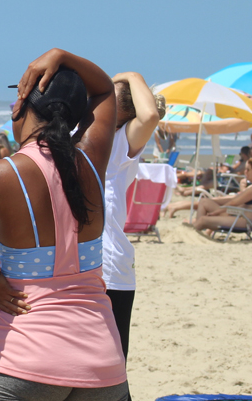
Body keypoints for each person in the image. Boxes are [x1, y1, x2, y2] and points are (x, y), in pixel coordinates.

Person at [0, 49, 128, 400]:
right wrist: (62, 56)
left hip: (25, 357)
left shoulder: (3, 174)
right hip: (102, 361)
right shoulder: (93, 159)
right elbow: (106, 90)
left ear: (21, 106)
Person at [103, 72, 163, 360]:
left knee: (112, 367)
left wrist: (130, 75)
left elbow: (150, 116)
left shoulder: (120, 142)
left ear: (123, 114)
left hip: (108, 266)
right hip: (77, 265)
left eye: (107, 98)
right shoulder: (86, 134)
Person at [164, 159, 252, 218]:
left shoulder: (249, 166)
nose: (246, 171)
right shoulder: (248, 165)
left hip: (240, 197)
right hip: (241, 196)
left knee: (209, 201)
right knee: (210, 201)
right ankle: (173, 206)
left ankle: (173, 206)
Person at [187, 159, 252, 234]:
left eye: (248, 170)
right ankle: (198, 232)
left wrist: (215, 213)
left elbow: (233, 203)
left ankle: (193, 233)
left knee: (203, 219)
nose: (245, 172)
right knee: (204, 201)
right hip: (236, 215)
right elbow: (235, 200)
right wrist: (216, 202)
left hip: (244, 221)